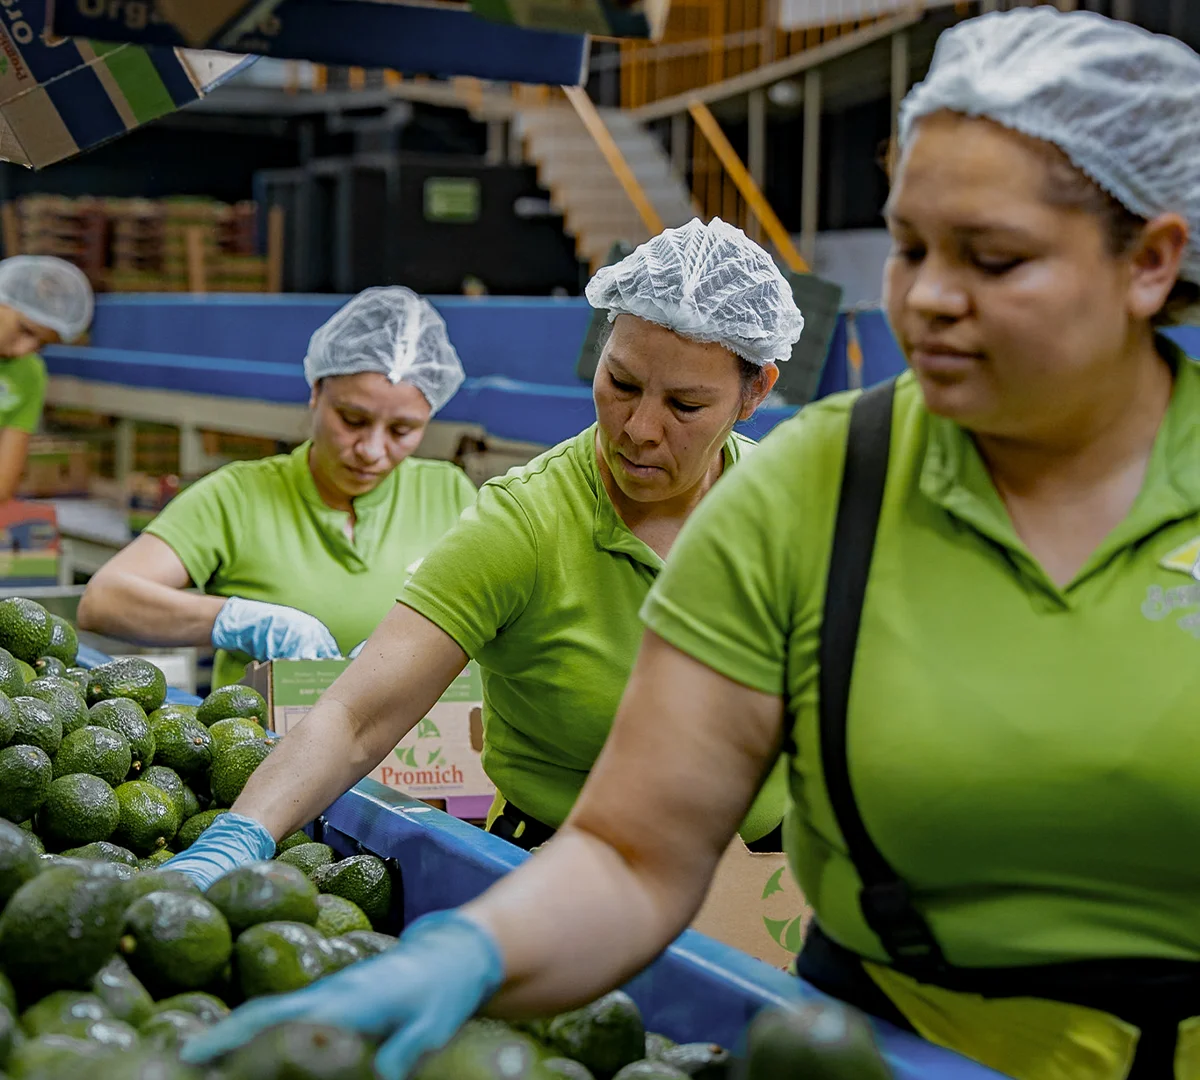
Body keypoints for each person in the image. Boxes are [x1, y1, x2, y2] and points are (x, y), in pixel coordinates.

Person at [181, 8, 1200, 1080]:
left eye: (993, 258)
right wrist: (475, 950)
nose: (930, 298)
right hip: (858, 1050)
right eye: (909, 248)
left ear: (1150, 262)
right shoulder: (825, 485)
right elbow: (636, 851)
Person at [164, 215, 799, 889]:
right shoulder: (526, 524)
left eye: (685, 405)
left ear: (755, 393)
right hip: (561, 874)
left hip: (770, 869)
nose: (640, 428)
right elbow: (355, 717)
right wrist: (240, 835)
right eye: (621, 383)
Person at [77, 286, 476, 687]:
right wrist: (239, 621)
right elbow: (104, 601)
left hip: (417, 730)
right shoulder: (238, 497)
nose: (371, 450)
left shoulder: (447, 493)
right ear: (316, 391)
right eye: (352, 420)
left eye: (402, 430)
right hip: (261, 728)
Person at [0, 256, 93, 500]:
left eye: (40, 345)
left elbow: (3, 481)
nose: (23, 350)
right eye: (24, 330)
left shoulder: (29, 374)